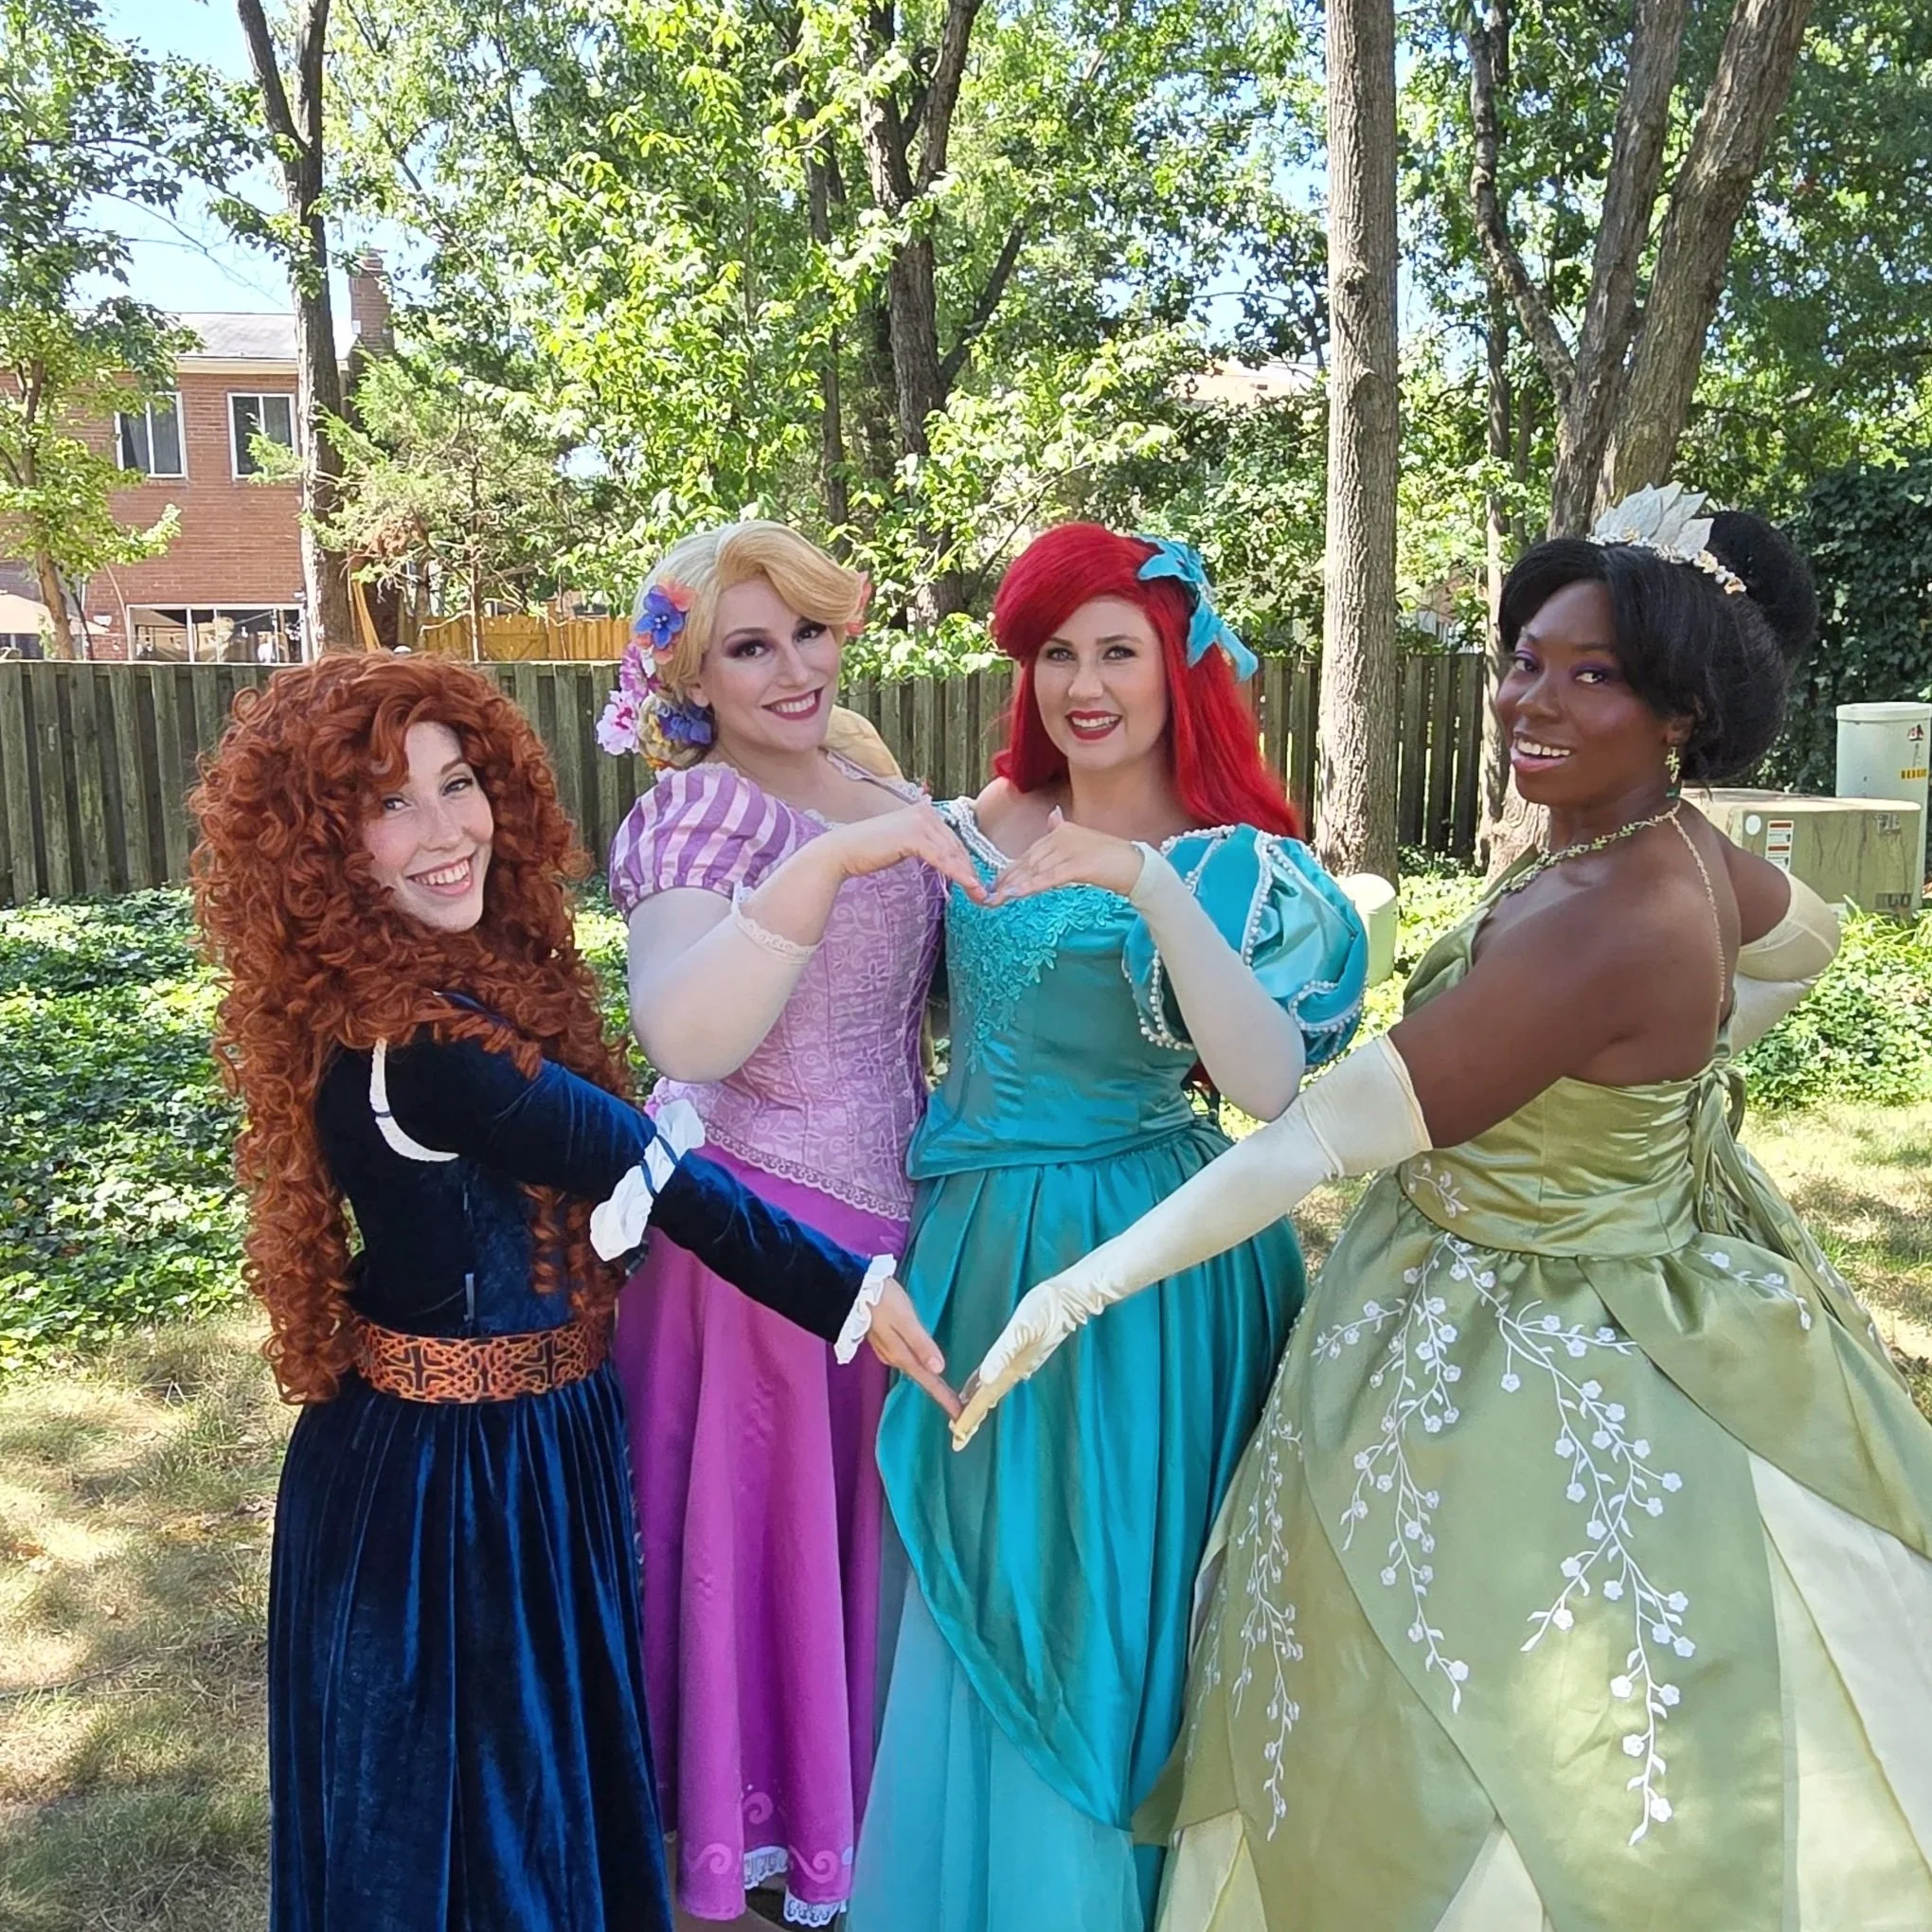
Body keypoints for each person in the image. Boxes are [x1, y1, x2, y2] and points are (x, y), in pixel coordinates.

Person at [956, 490, 1932, 1929]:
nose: (1533, 699)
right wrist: (1670, 1102)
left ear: (1682, 708)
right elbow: (1808, 939)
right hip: (1555, 1261)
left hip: (1534, 1332)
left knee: (1504, 1718)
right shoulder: (1652, 842)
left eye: (1590, 673)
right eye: (1524, 658)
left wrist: (1075, 1291)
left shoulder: (1615, 913)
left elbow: (1316, 1139)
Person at [189, 653, 948, 1932]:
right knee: (458, 1825)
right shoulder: (423, 1047)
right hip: (445, 1494)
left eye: (459, 780)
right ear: (326, 849)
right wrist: (853, 1292)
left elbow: (594, 1192)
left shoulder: (444, 988)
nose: (447, 831)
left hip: (526, 1449)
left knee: (546, 1797)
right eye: (391, 804)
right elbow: (651, 1168)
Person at [846, 524, 1368, 1932]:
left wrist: (1142, 883)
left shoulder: (1228, 862)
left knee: (1109, 1589)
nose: (1085, 684)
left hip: (1144, 1264)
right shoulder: (974, 825)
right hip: (971, 1240)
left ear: (1178, 668)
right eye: (1058, 652)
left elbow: (1266, 1086)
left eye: (1118, 651)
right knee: (989, 1566)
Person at [599, 522, 974, 1926]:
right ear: (691, 675)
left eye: (809, 631)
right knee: (761, 1566)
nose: (793, 667)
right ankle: (747, 1852)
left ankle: (860, 1827)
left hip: (900, 1230)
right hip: (757, 1263)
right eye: (749, 647)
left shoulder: (875, 776)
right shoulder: (699, 818)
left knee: (864, 1565)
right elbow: (686, 1026)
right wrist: (821, 871)